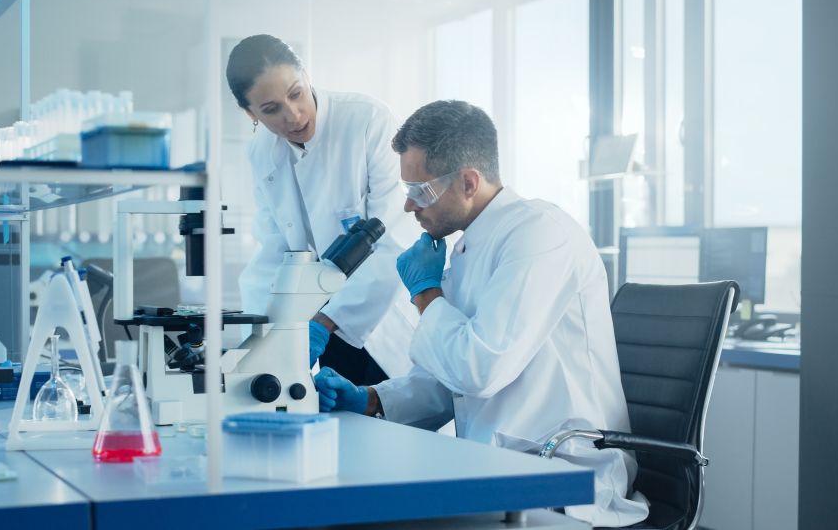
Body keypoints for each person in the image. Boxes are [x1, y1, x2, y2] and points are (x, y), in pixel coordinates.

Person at [314, 100, 649, 526]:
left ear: (469, 182)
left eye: (421, 192)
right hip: (499, 468)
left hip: (564, 474)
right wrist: (372, 399)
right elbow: (449, 382)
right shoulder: (468, 248)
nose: (409, 207)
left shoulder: (539, 234)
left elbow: (479, 370)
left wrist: (426, 294)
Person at [226, 34, 417, 385]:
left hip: (382, 319)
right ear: (250, 113)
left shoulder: (367, 120)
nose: (294, 115)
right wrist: (256, 341)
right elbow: (274, 253)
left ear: (306, 75)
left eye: (296, 93)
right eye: (271, 110)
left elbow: (395, 240)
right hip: (321, 330)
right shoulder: (261, 152)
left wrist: (326, 323)